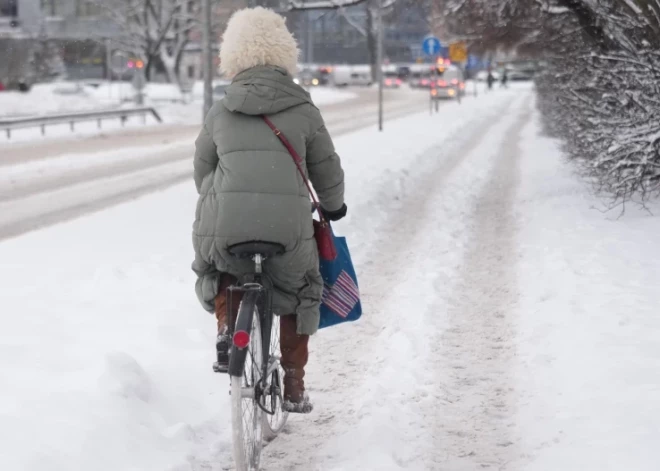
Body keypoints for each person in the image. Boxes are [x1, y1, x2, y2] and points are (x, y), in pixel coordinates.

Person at [191, 7, 347, 414]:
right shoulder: (304, 109)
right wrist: (334, 207)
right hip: (287, 229)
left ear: (233, 55)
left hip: (226, 223)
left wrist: (220, 198)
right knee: (301, 289)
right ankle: (294, 383)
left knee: (220, 268)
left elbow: (202, 170)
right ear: (284, 54)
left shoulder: (220, 111)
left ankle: (228, 331)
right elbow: (326, 170)